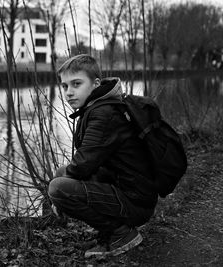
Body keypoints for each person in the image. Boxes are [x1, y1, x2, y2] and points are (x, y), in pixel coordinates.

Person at [48, 54, 158, 257]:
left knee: (57, 188)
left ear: (95, 83)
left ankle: (121, 233)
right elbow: (87, 164)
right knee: (62, 173)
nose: (69, 92)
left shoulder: (104, 113)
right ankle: (109, 231)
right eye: (64, 86)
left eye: (76, 84)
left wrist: (56, 199)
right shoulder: (97, 107)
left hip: (135, 201)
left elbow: (83, 164)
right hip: (128, 191)